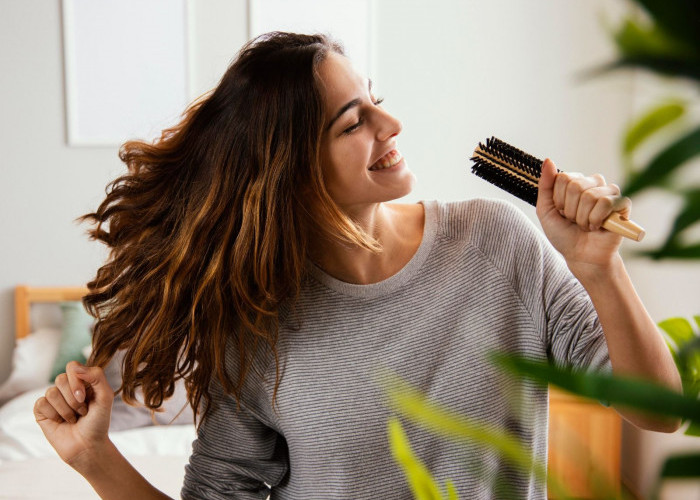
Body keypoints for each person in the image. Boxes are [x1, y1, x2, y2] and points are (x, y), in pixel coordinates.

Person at [33, 32, 681, 499]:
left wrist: (599, 269)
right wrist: (95, 459)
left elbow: (662, 411)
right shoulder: (256, 328)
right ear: (291, 170)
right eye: (353, 123)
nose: (391, 122)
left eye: (376, 98)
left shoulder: (500, 242)